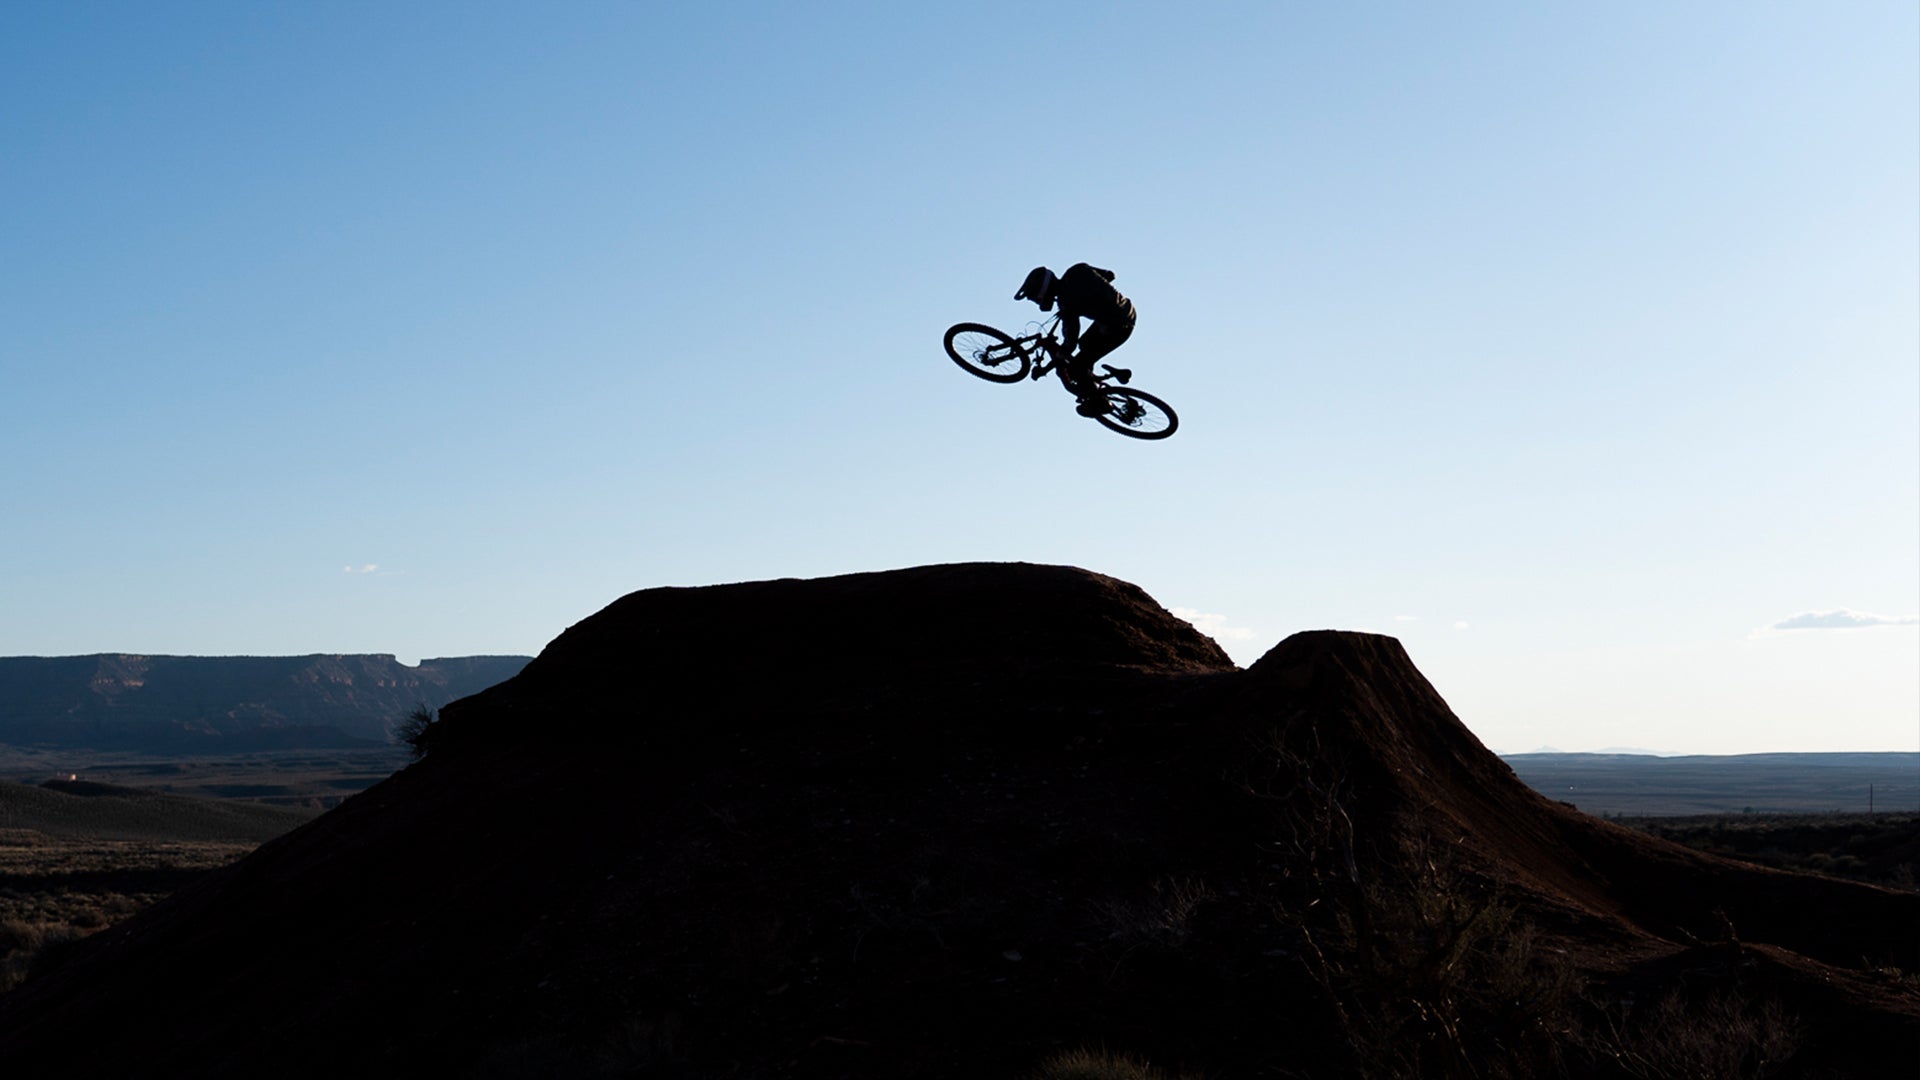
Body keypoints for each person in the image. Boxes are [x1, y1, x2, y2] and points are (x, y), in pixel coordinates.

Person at [1014, 263, 1136, 415]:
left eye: (1035, 298)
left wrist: (1062, 351)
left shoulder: (1066, 303)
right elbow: (1110, 275)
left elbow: (1071, 335)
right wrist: (1095, 294)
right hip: (1126, 312)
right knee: (1085, 344)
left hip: (1115, 328)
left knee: (1075, 368)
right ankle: (1091, 379)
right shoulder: (1078, 269)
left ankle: (1100, 403)